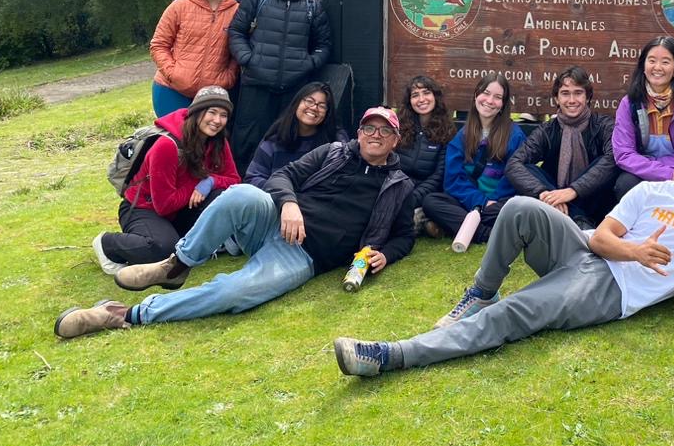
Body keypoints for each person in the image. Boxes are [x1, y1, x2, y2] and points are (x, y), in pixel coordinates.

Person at [333, 126, 674, 378]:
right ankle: (482, 292)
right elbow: (603, 237)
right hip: (589, 251)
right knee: (518, 207)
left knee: (515, 312)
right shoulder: (650, 191)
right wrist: (635, 250)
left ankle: (392, 355)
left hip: (612, 289)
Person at [56, 107, 415, 340]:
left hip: (304, 256)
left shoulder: (398, 184)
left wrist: (387, 254)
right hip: (276, 221)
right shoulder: (333, 151)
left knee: (235, 293)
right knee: (241, 194)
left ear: (396, 140)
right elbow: (282, 176)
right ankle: (177, 264)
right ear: (360, 130)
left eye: (385, 132)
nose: (376, 135)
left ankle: (122, 315)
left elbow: (404, 235)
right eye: (370, 128)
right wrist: (289, 204)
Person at [92, 87, 241, 274]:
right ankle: (108, 244)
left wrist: (209, 182)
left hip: (182, 207)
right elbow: (164, 205)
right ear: (196, 112)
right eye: (211, 112)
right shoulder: (167, 146)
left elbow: (233, 179)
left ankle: (210, 239)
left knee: (223, 194)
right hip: (144, 209)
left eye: (223, 115)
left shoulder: (218, 141)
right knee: (164, 250)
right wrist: (197, 185)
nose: (217, 121)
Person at [227, 0, 332, 173]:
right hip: (256, 85)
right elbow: (236, 32)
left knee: (285, 143)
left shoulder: (311, 6)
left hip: (292, 90)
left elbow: (323, 45)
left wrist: (308, 64)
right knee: (246, 142)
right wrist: (248, 59)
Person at [505, 66, 619, 230]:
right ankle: (579, 220)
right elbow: (514, 164)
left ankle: (574, 218)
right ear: (556, 99)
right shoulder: (548, 130)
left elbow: (613, 158)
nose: (572, 100)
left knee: (606, 159)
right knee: (527, 168)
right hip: (557, 201)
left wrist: (573, 190)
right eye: (565, 93)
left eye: (578, 93)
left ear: (587, 97)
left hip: (595, 200)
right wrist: (546, 194)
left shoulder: (603, 125)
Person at [421, 73, 526, 243]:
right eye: (486, 93)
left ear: (503, 104)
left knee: (518, 207)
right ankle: (488, 234)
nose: (490, 101)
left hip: (500, 204)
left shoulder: (515, 136)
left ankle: (464, 226)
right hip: (470, 202)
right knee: (431, 202)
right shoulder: (461, 137)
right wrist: (481, 202)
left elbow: (515, 176)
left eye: (498, 97)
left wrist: (491, 203)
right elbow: (453, 181)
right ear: (476, 95)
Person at [611, 36, 674, 199]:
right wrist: (665, 173)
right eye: (652, 61)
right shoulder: (629, 103)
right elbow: (623, 153)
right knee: (625, 184)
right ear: (643, 66)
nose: (657, 67)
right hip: (645, 171)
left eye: (665, 62)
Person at [150, 0, 240, 117]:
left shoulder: (237, 11)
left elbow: (237, 51)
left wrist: (227, 78)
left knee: (205, 142)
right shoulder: (180, 6)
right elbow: (158, 44)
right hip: (171, 90)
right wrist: (173, 73)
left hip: (211, 95)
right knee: (177, 141)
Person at [245, 81, 346, 189]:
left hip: (316, 202)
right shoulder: (274, 140)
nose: (314, 108)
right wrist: (281, 191)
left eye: (322, 106)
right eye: (309, 101)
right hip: (276, 199)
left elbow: (342, 179)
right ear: (297, 103)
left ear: (327, 113)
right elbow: (253, 177)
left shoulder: (335, 141)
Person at [395, 75, 457, 235]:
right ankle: (425, 222)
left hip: (426, 194)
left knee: (406, 220)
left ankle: (422, 218)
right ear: (409, 101)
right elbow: (391, 164)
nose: (421, 99)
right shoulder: (400, 127)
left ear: (435, 96)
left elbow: (439, 176)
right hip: (398, 189)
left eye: (426, 93)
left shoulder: (447, 131)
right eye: (415, 95)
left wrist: (413, 198)